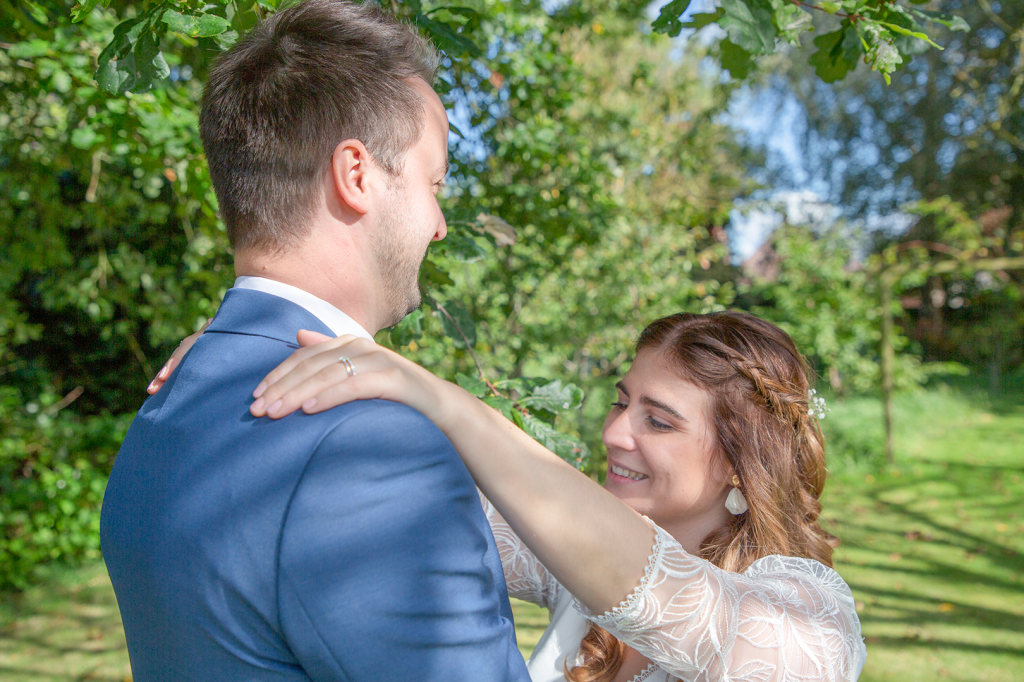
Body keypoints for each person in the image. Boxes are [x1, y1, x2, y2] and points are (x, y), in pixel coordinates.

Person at [101, 1, 530, 680]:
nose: (440, 224)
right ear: (356, 175)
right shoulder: (367, 443)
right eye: (433, 182)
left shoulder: (170, 399)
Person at [189, 311, 868, 682]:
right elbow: (408, 498)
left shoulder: (813, 619)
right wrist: (249, 363)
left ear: (742, 464)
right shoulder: (574, 568)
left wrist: (445, 401)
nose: (614, 434)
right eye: (621, 403)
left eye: (658, 422)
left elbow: (685, 606)